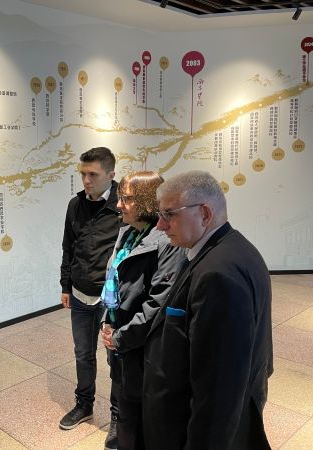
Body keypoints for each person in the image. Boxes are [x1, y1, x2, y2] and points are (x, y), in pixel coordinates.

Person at [142, 170, 273, 450]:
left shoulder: (218, 275)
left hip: (189, 428)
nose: (160, 226)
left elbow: (219, 389)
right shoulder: (234, 249)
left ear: (204, 213)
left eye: (168, 214)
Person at [99, 171, 186, 450]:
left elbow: (158, 304)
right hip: (121, 340)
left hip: (142, 347)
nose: (119, 205)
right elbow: (112, 282)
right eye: (120, 198)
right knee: (125, 406)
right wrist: (106, 321)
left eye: (127, 199)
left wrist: (120, 337)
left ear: (148, 201)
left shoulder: (166, 242)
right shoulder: (128, 233)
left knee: (142, 418)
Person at [59, 146, 123, 444]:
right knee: (83, 353)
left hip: (111, 298)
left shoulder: (123, 206)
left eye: (93, 175)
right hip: (80, 293)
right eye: (83, 174)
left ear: (111, 174)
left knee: (115, 357)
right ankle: (84, 404)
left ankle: (118, 415)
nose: (86, 180)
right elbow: (68, 247)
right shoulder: (75, 205)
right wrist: (65, 285)